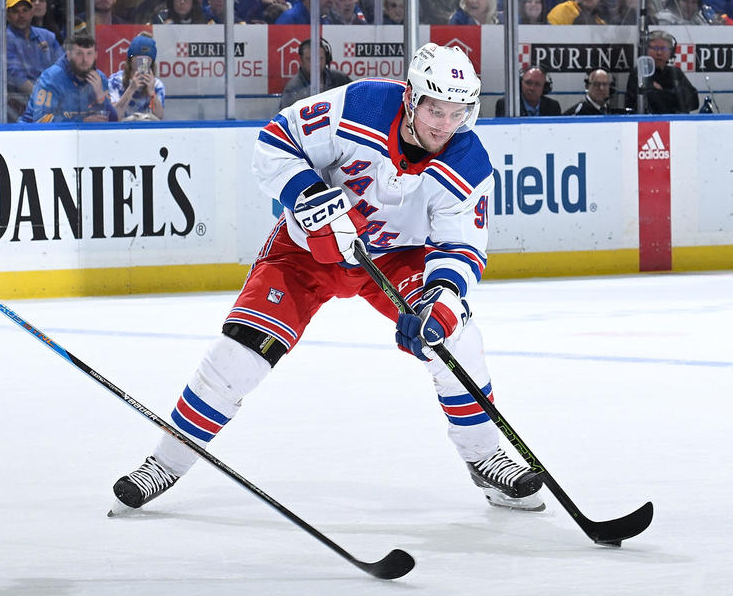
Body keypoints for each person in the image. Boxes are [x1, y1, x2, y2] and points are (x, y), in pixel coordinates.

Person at [109, 43, 546, 519]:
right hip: (308, 249)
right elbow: (275, 141)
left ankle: (485, 459)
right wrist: (307, 193)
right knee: (241, 352)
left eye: (457, 112)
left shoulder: (469, 160)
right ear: (411, 98)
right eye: (435, 109)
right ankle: (164, 463)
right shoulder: (360, 106)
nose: (444, 124)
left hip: (397, 260)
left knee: (455, 337)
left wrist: (439, 303)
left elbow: (460, 247)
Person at [20, 32, 116, 123]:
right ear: (69, 55)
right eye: (79, 53)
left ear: (96, 55)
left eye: (89, 53)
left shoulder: (99, 79)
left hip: (81, 136)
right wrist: (82, 122)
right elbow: (42, 119)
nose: (85, 60)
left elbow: (113, 120)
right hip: (30, 134)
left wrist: (101, 97)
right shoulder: (52, 78)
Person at [0, 0, 63, 98]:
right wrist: (42, 97)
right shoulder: (2, 40)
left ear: (31, 13)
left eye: (25, 10)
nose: (21, 15)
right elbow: (14, 76)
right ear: (7, 15)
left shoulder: (47, 36)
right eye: (15, 11)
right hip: (13, 99)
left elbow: (62, 65)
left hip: (49, 94)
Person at [625, 30, 699, 114]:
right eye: (655, 48)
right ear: (645, 50)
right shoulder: (640, 72)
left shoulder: (676, 72)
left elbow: (694, 101)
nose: (659, 53)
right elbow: (655, 103)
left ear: (671, 52)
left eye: (664, 48)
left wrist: (662, 92)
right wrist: (675, 94)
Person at [279, 37, 351, 109]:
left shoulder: (340, 78)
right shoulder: (293, 87)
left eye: (320, 58)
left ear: (326, 59)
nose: (316, 63)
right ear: (302, 61)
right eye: (310, 59)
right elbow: (285, 117)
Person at [108, 34, 165, 121]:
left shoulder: (157, 84)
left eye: (147, 60)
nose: (142, 63)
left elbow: (159, 116)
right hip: (121, 130)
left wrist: (152, 92)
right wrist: (131, 89)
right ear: (131, 59)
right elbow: (114, 116)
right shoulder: (115, 81)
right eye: (139, 59)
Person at [494, 65, 562, 116]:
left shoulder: (553, 106)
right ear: (520, 83)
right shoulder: (507, 104)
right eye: (528, 83)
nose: (532, 88)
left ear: (544, 87)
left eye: (537, 84)